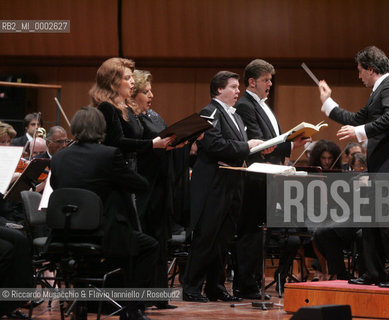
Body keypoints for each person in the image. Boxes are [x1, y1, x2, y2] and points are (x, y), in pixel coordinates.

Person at [318, 45, 389, 288]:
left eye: (360, 71)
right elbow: (354, 119)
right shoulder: (377, 92)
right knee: (371, 222)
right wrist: (327, 101)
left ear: (371, 69)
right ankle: (374, 272)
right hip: (381, 166)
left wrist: (359, 132)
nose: (358, 75)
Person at [50, 107, 159, 320]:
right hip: (102, 232)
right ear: (102, 129)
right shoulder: (109, 154)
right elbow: (141, 185)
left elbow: (57, 186)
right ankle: (133, 308)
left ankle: (84, 302)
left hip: (65, 232)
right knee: (149, 246)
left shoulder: (59, 157)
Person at [182, 71, 264, 302]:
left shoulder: (236, 117)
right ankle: (191, 287)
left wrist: (249, 148)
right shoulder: (209, 112)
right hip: (213, 184)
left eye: (238, 87)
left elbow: (232, 147)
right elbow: (214, 143)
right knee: (207, 236)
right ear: (219, 89)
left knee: (224, 239)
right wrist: (246, 146)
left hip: (233, 182)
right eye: (233, 87)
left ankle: (216, 286)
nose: (238, 91)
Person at [233, 59, 309, 298]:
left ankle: (253, 282)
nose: (270, 84)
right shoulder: (246, 105)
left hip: (269, 175)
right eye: (266, 80)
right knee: (251, 232)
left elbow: (272, 141)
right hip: (256, 176)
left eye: (271, 80)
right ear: (252, 82)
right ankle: (246, 284)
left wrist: (290, 144)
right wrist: (287, 145)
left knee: (259, 231)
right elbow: (258, 143)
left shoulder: (263, 105)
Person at [132, 69, 190, 310]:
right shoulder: (131, 119)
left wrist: (178, 143)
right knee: (147, 240)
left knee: (160, 241)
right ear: (133, 94)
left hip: (161, 185)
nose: (151, 95)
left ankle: (159, 295)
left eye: (151, 91)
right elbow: (139, 151)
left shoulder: (153, 116)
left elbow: (164, 141)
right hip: (146, 186)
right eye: (146, 92)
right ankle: (142, 296)